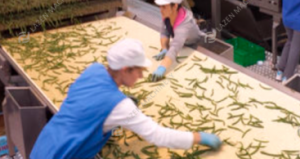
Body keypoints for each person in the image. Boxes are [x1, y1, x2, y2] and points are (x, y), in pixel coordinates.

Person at [30, 38, 222, 159]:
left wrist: (113, 103)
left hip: (43, 146)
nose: (140, 76)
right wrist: (198, 137)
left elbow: (82, 100)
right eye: (138, 71)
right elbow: (158, 135)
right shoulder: (120, 106)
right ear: (125, 69)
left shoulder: (94, 70)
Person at [152, 0, 207, 82]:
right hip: (184, 45)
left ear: (175, 6)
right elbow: (164, 32)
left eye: (164, 6)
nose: (160, 10)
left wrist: (162, 68)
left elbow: (174, 50)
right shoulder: (168, 15)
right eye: (160, 6)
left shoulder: (183, 27)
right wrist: (164, 48)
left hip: (199, 46)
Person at [276, 0, 300, 82]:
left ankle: (280, 71)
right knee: (296, 47)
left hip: (287, 17)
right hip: (298, 21)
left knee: (289, 42)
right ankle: (288, 77)